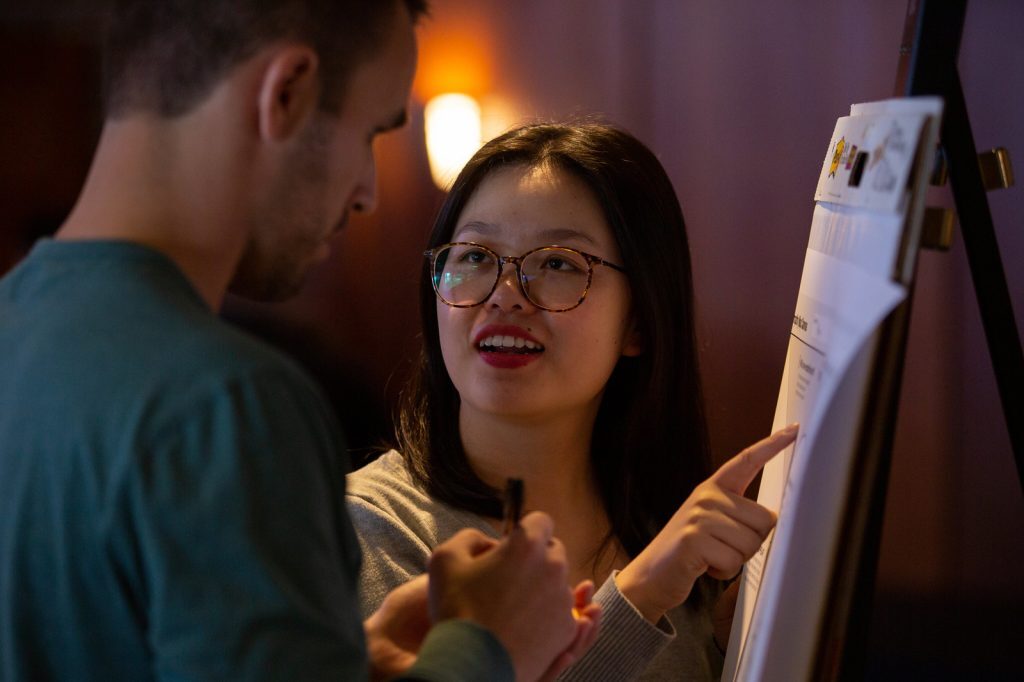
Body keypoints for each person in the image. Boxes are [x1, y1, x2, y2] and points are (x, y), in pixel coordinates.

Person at [0, 3, 599, 680]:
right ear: (285, 92)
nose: (368, 192)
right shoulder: (226, 406)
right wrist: (487, 647)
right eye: (371, 132)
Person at [346, 121, 798, 680]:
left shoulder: (673, 540)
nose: (504, 296)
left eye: (558, 264)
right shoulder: (372, 528)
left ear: (639, 322)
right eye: (475, 257)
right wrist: (637, 599)